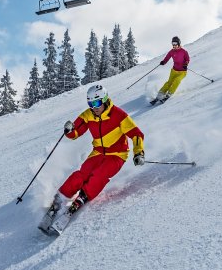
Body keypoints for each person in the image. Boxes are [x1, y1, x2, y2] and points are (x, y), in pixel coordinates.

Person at [40, 84, 145, 234]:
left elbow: (136, 134)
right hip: (97, 152)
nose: (93, 107)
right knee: (81, 175)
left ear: (105, 100)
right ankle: (59, 201)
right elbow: (76, 133)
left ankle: (81, 199)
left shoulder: (119, 115)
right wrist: (69, 130)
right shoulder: (88, 115)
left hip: (117, 155)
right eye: (90, 104)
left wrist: (138, 152)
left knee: (99, 175)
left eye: (96, 103)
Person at [151, 36, 190, 104]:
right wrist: (163, 62)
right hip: (174, 71)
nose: (174, 45)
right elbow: (167, 58)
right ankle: (160, 94)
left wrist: (185, 64)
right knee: (169, 82)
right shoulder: (171, 52)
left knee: (177, 81)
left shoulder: (184, 51)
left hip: (182, 72)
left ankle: (169, 94)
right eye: (173, 43)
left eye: (175, 43)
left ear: (179, 43)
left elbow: (187, 59)